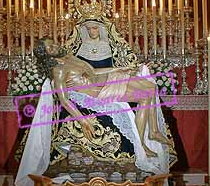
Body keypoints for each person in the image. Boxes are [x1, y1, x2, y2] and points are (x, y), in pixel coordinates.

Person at [36, 37, 169, 156]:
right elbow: (64, 101)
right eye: (50, 47)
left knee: (151, 87)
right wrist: (83, 121)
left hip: (106, 79)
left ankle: (153, 130)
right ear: (46, 55)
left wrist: (118, 69)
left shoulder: (69, 57)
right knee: (144, 97)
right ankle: (140, 146)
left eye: (53, 43)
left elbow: (93, 72)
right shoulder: (58, 70)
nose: (55, 46)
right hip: (99, 92)